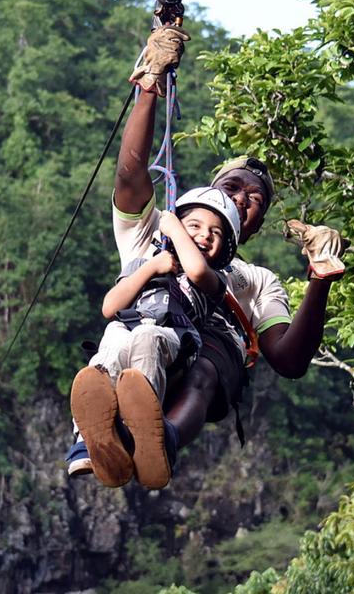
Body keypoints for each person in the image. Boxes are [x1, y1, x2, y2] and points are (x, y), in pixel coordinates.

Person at [66, 25, 346, 486]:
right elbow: (131, 172)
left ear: (248, 228)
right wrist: (149, 87)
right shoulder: (157, 233)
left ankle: (161, 441)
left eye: (254, 199)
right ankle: (104, 441)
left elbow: (289, 360)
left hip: (204, 354)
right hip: (148, 327)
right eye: (232, 187)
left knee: (209, 362)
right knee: (123, 345)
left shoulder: (255, 281)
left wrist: (319, 278)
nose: (242, 197)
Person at [69, 187, 241, 490]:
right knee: (111, 344)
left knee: (147, 336)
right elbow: (111, 307)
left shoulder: (215, 282)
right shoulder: (145, 264)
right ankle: (89, 440)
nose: (205, 236)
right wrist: (151, 266)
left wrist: (176, 227)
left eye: (216, 233)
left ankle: (140, 430)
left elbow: (197, 270)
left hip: (173, 337)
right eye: (196, 226)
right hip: (126, 328)